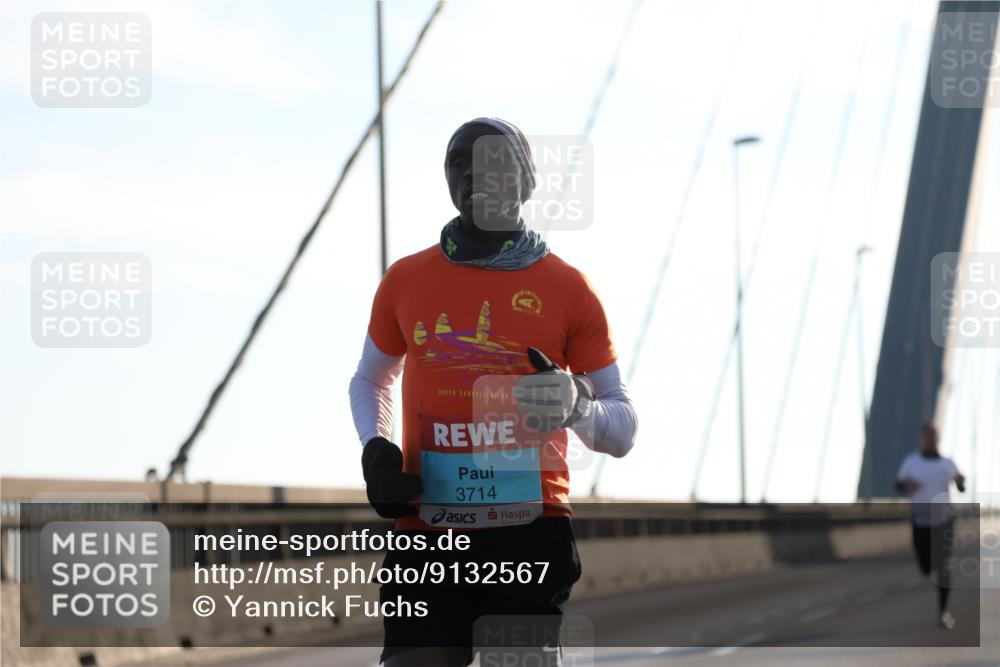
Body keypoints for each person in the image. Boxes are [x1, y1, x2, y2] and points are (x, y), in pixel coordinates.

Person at [349, 117, 638, 666]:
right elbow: (371, 378)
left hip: (529, 532)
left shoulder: (569, 288)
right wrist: (375, 448)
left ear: (528, 181)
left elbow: (622, 429)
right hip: (428, 530)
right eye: (459, 162)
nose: (473, 172)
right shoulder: (405, 280)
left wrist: (576, 405)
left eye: (493, 161)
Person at [895, 421, 966, 629]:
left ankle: (943, 612)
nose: (930, 439)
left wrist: (960, 481)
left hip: (943, 522)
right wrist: (906, 485)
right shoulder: (911, 462)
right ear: (921, 438)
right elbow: (898, 484)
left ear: (938, 438)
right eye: (926, 435)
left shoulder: (947, 463)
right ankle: (929, 566)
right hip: (920, 521)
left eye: (933, 435)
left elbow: (961, 487)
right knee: (926, 567)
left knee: (943, 567)